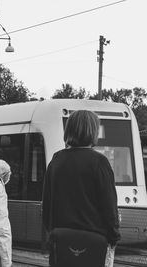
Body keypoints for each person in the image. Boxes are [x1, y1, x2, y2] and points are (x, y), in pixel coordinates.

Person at [42, 110, 120, 266]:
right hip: (93, 243)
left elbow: (47, 204)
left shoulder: (56, 161)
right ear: (93, 131)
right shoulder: (99, 162)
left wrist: (52, 232)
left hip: (61, 241)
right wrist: (114, 237)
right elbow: (109, 206)